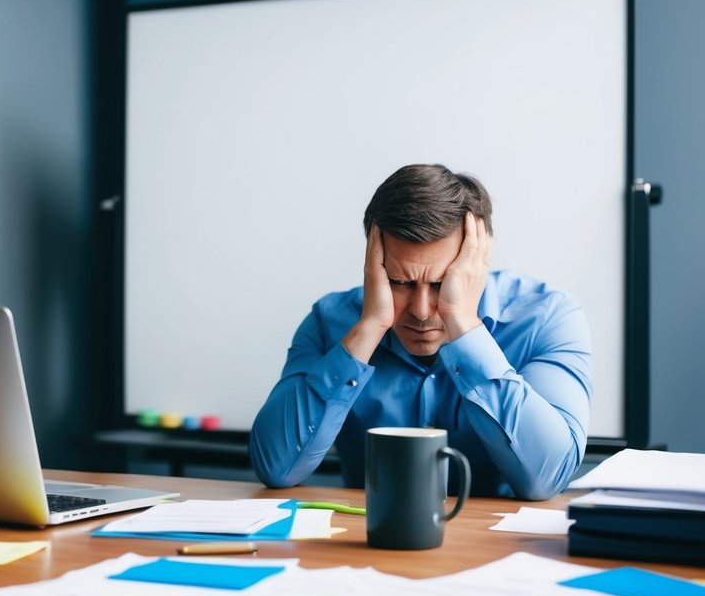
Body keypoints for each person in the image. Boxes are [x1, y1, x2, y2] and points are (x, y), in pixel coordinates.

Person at [248, 164, 591, 500]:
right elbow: (276, 468)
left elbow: (548, 478)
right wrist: (368, 329)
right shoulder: (330, 322)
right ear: (373, 262)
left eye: (443, 283)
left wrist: (463, 323)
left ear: (478, 262)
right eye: (399, 282)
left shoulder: (547, 318)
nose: (422, 311)